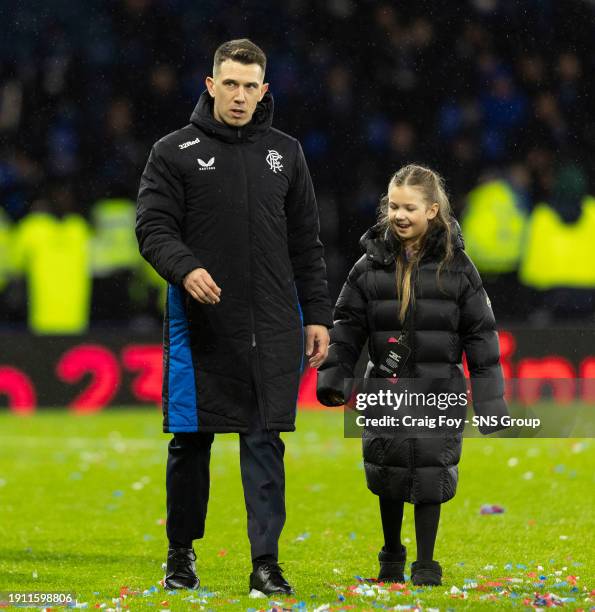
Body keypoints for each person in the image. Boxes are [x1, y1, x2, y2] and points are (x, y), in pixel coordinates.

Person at [136, 39, 332, 596]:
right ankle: (181, 554)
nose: (240, 96)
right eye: (231, 84)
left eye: (251, 86)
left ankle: (265, 563)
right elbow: (153, 228)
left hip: (272, 323)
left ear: (264, 90)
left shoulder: (287, 154)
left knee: (266, 441)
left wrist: (316, 315)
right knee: (191, 443)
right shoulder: (172, 151)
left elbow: (306, 243)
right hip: (201, 323)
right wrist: (185, 268)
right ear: (210, 84)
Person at [317, 164, 508, 586]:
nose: (399, 215)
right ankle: (391, 552)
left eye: (410, 207)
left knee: (429, 472)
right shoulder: (368, 266)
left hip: (440, 389)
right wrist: (335, 375)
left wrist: (491, 403)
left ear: (433, 211)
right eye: (394, 206)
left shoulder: (459, 269)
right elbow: (347, 326)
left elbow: (481, 337)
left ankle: (425, 561)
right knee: (388, 469)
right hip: (386, 388)